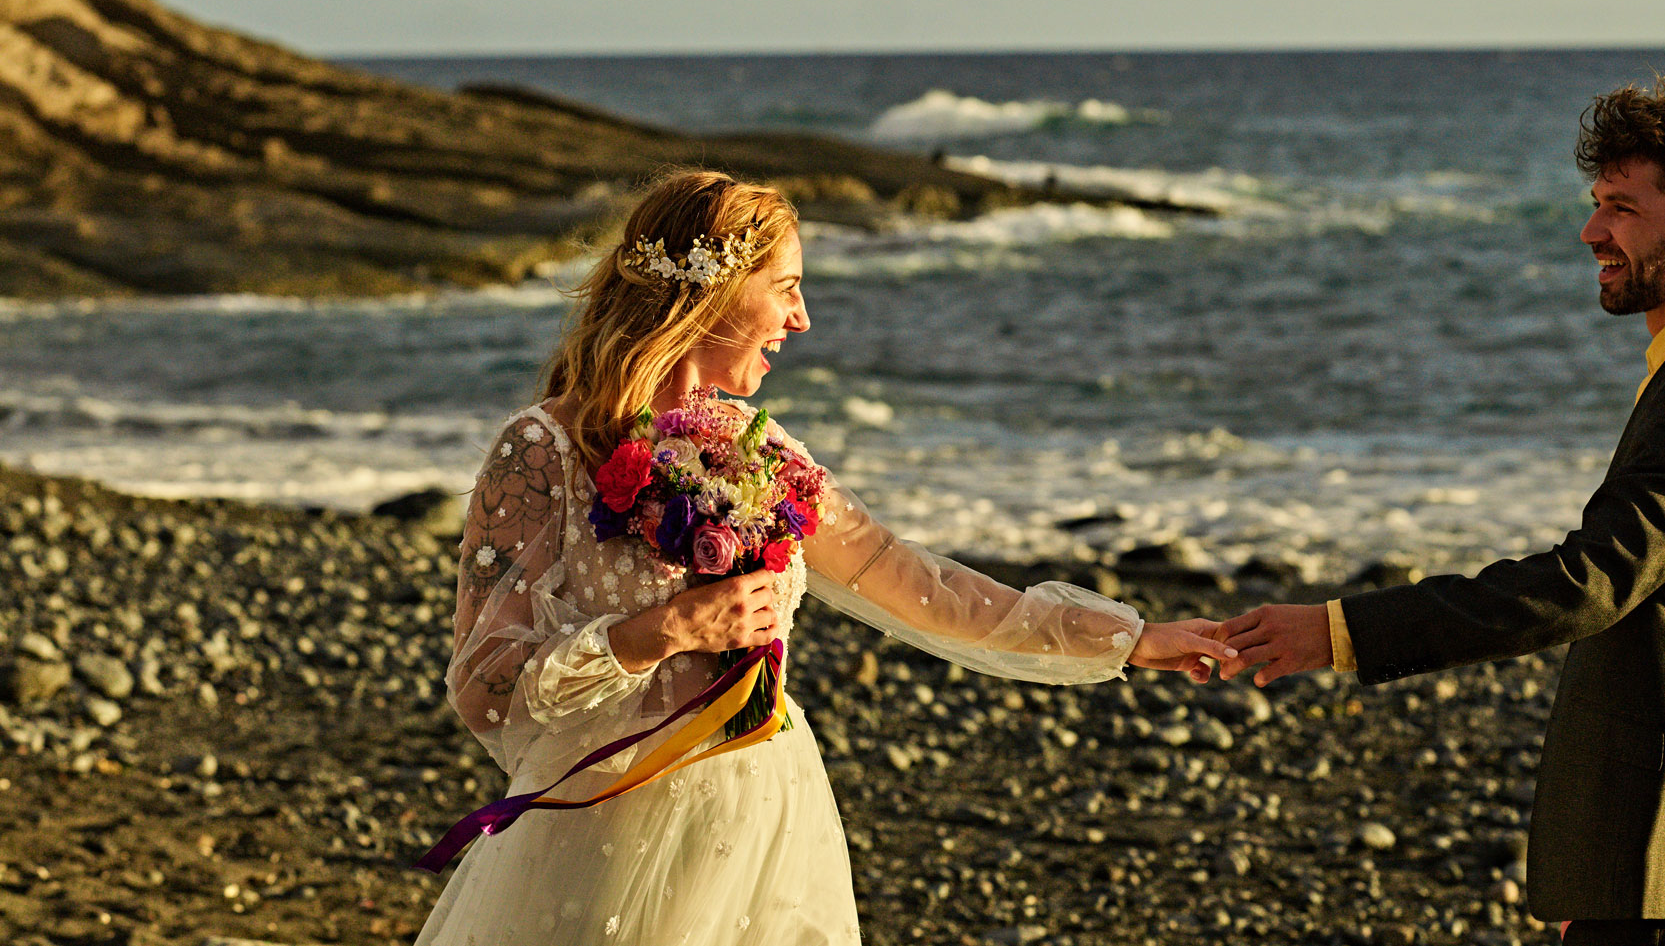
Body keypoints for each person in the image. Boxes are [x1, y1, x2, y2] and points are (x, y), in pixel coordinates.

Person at [414, 169, 1231, 946]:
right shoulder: (542, 448)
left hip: (764, 822)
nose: (801, 318)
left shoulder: (764, 454)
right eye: (787, 286)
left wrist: (1126, 638)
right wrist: (664, 630)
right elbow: (485, 681)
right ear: (711, 291)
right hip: (601, 831)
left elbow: (921, 583)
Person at [1216, 73, 1665, 945]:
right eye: (1596, 204)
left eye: (1622, 208)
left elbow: (1588, 582)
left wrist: (1339, 631)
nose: (1592, 231)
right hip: (1653, 856)